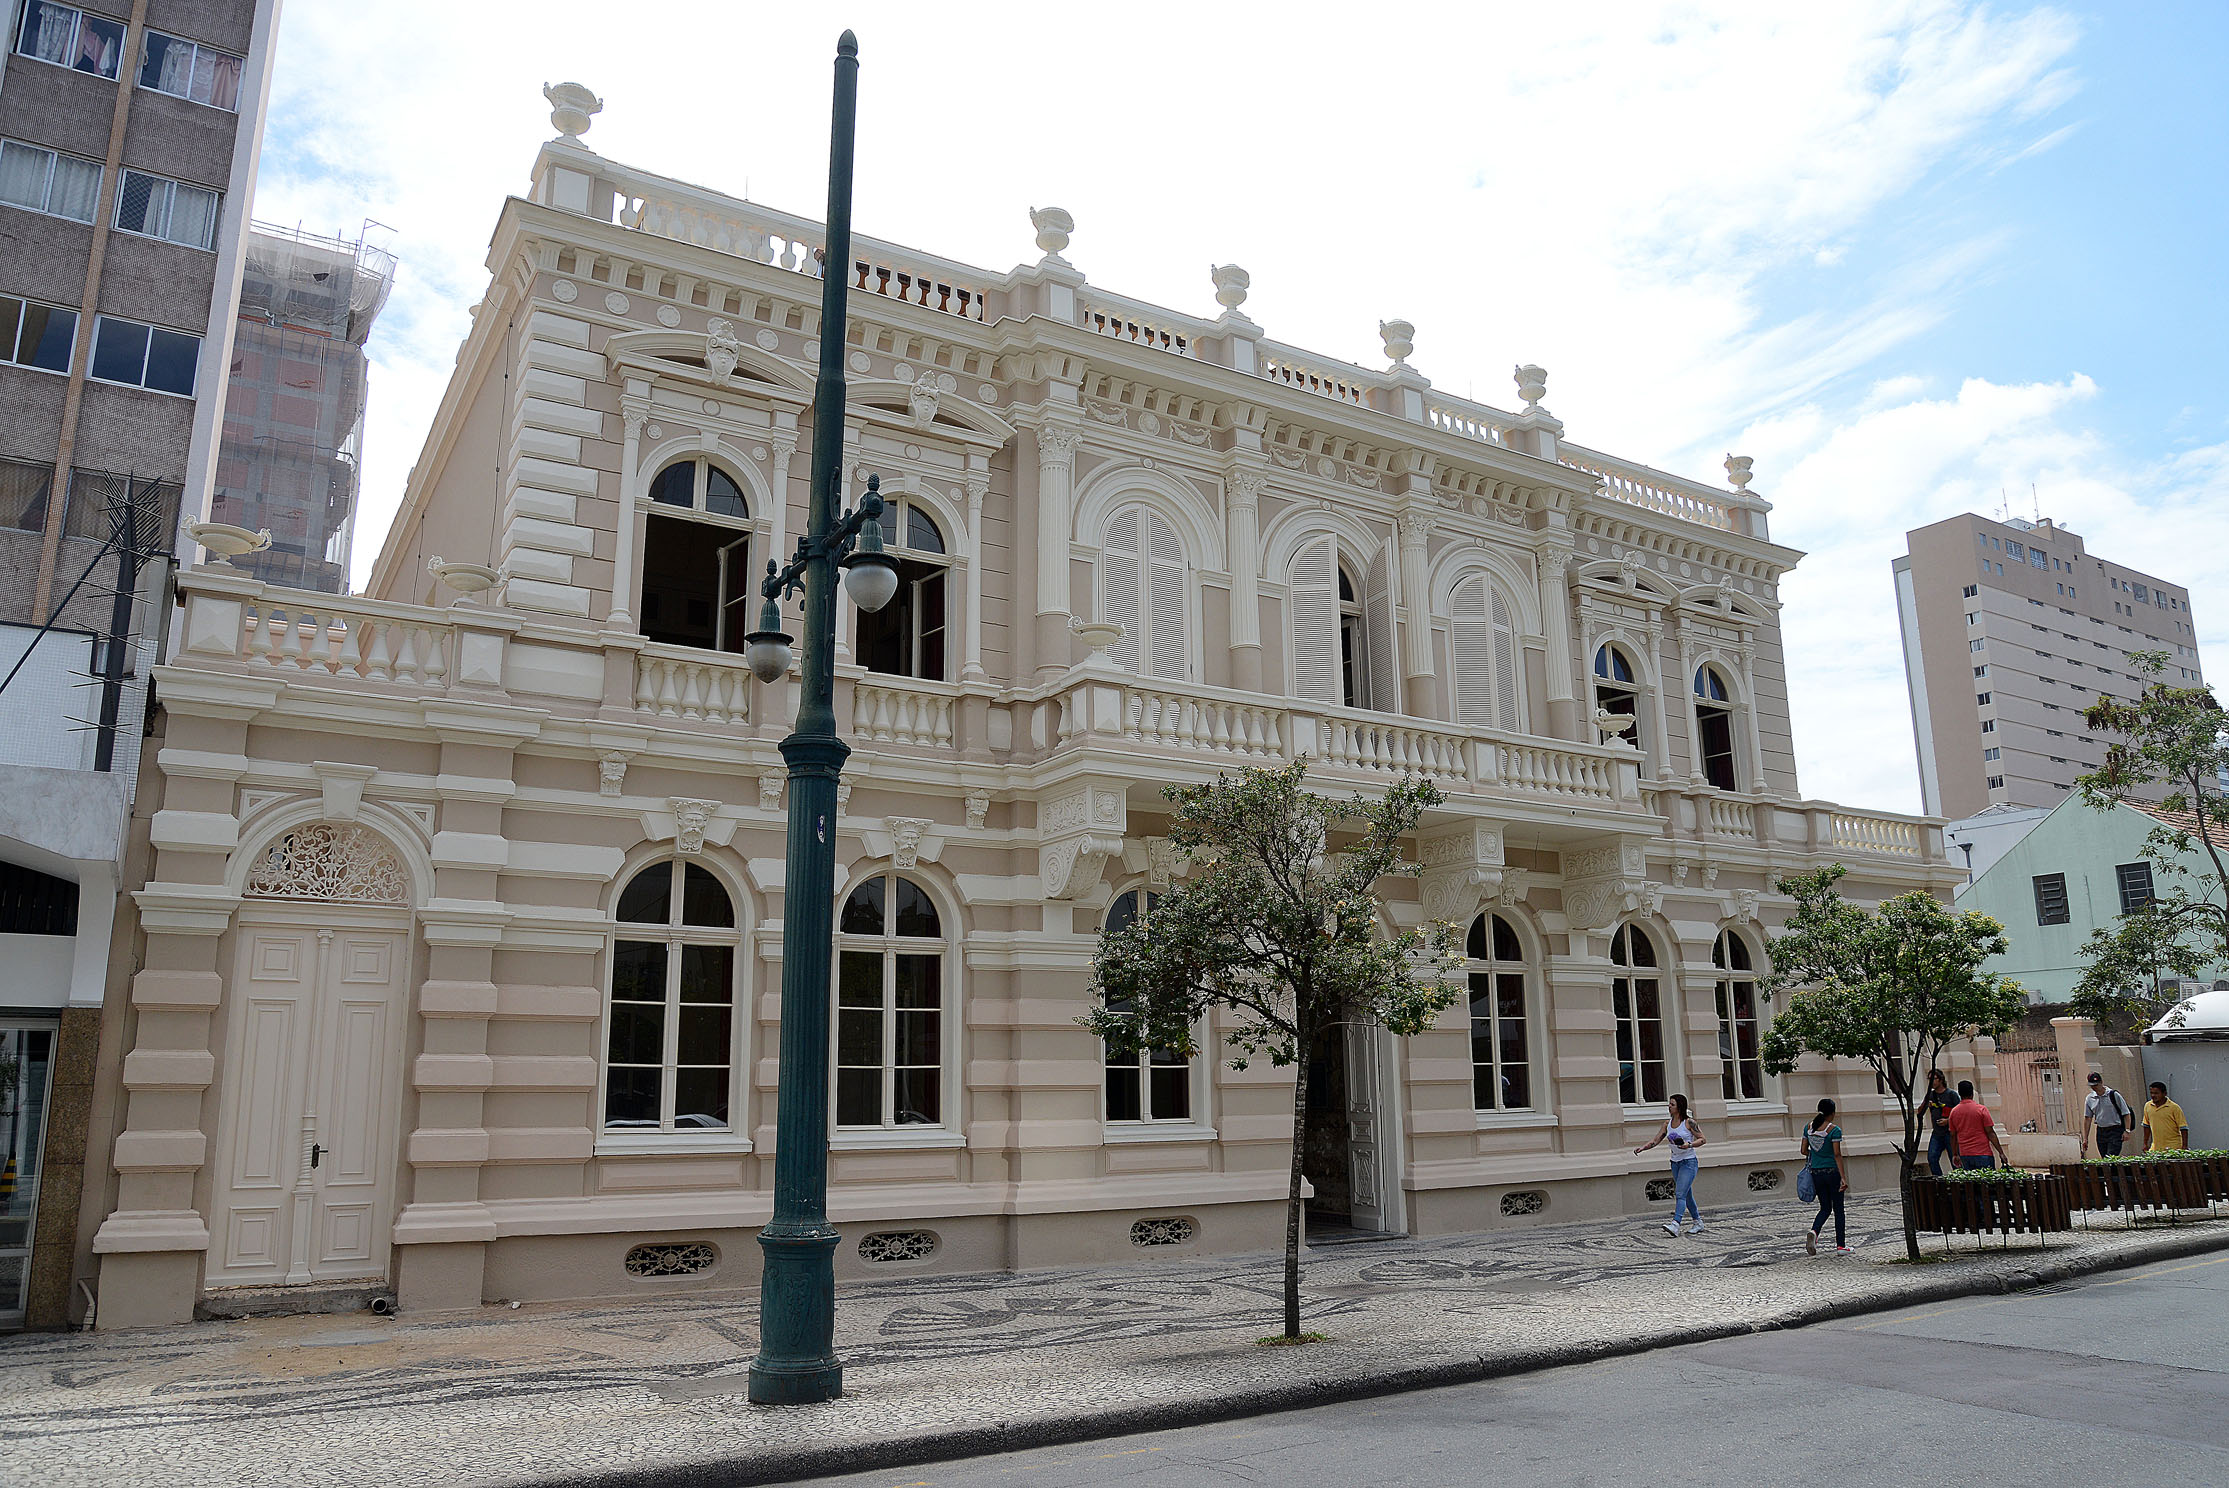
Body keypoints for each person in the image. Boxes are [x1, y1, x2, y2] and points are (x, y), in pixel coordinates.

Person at [1636, 1093, 1707, 1235]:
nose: (1669, 1106)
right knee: (1686, 1195)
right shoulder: (1667, 1124)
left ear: (1679, 1107)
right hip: (1675, 1163)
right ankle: (1698, 1222)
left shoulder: (1689, 1123)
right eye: (1669, 1104)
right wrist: (1643, 1148)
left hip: (1689, 1162)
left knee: (1680, 1193)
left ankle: (1675, 1224)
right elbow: (1656, 1140)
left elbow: (1703, 1139)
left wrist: (1689, 1145)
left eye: (1672, 1104)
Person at [1801, 1098, 1851, 1255]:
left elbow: (1803, 1150)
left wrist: (1816, 1155)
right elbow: (1837, 1154)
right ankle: (1841, 1246)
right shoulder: (1835, 1130)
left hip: (1816, 1173)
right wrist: (1843, 1177)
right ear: (1833, 1113)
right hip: (1832, 1173)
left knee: (1825, 1207)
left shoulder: (1808, 1128)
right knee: (1838, 1209)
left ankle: (1814, 1232)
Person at [1943, 1079, 2007, 1169]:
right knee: (1987, 1181)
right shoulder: (1981, 1110)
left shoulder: (1954, 1112)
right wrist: (2001, 1152)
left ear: (1960, 1095)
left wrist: (1955, 1154)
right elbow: (1990, 1133)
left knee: (1970, 1182)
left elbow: (1953, 1135)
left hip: (1965, 1154)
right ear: (1972, 1094)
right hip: (1983, 1153)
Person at [2080, 1071, 2134, 1158]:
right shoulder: (2090, 1098)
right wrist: (2086, 1138)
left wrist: (2127, 1130)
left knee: (2110, 1157)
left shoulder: (2113, 1095)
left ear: (2101, 1082)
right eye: (2092, 1085)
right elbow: (2088, 1118)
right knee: (2104, 1158)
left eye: (2096, 1085)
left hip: (2115, 1130)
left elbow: (2126, 1113)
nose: (2094, 1088)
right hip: (2101, 1130)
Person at [1921, 1069, 1960, 1176]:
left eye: (1933, 1079)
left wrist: (1948, 1121)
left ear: (1940, 1079)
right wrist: (1926, 1104)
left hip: (1950, 1133)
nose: (1931, 1082)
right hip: (1937, 1133)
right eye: (1929, 1079)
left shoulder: (1951, 1095)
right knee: (1932, 1158)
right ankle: (1939, 1181)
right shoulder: (1930, 1095)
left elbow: (1959, 1113)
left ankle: (1959, 1183)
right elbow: (1919, 1111)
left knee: (1955, 1160)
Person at [2142, 1081, 2190, 1153]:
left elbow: (2183, 1128)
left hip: (2173, 1147)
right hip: (2156, 1148)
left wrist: (2184, 1146)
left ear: (2164, 1094)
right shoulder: (2148, 1106)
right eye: (2151, 1093)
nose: (2153, 1095)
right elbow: (2146, 1125)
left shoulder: (2174, 1107)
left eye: (2156, 1093)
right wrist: (2145, 1143)